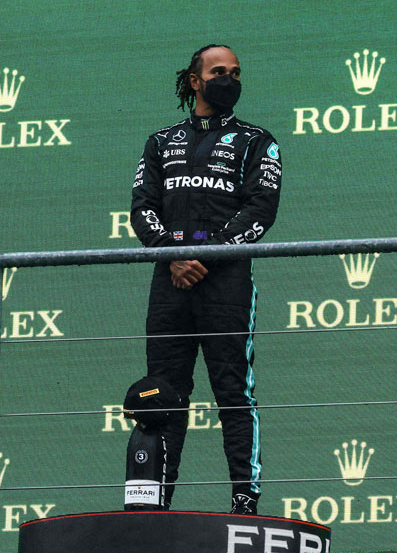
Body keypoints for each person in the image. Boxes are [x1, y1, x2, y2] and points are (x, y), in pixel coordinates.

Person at [129, 44, 281, 516]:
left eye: (236, 73)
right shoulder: (159, 142)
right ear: (194, 81)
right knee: (162, 394)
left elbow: (261, 209)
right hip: (169, 284)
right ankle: (156, 501)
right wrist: (175, 257)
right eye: (218, 72)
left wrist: (204, 258)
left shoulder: (258, 141)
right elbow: (141, 209)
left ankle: (244, 501)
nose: (229, 80)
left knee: (233, 390)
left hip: (226, 285)